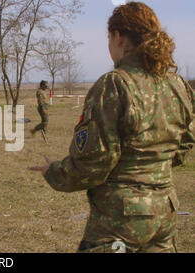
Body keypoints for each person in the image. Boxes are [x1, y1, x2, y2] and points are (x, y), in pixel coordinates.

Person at [29, 2, 194, 253]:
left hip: (119, 222)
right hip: (165, 214)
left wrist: (54, 172)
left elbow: (93, 164)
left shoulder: (115, 84)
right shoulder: (177, 84)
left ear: (118, 37)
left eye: (108, 38)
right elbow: (185, 144)